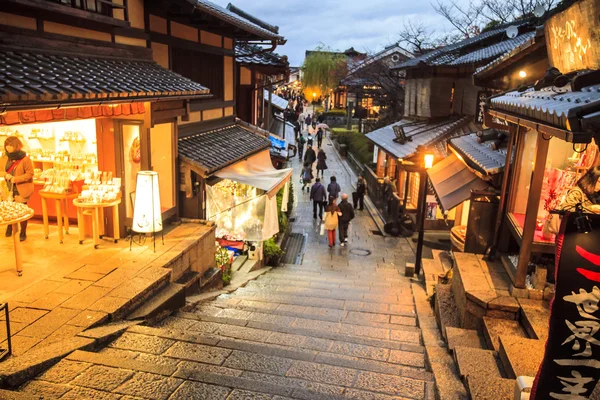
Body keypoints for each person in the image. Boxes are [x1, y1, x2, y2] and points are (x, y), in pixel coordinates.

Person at [0, 136, 34, 241]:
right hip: (7, 187)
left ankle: (23, 231)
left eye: (10, 145)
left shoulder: (25, 159)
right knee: (9, 208)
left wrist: (16, 179)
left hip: (21, 188)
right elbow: (0, 171)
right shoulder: (4, 158)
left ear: (16, 146)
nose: (8, 147)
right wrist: (5, 175)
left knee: (22, 209)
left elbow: (30, 174)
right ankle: (10, 225)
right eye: (7, 145)